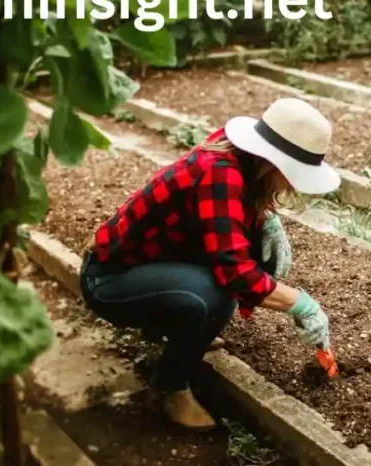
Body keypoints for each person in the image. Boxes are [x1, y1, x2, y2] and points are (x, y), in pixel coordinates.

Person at [79, 98, 341, 431]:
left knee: (230, 276)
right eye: (293, 174)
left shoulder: (234, 156)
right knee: (217, 296)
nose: (292, 185)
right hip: (109, 281)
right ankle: (168, 389)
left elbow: (220, 223)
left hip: (143, 268)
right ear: (274, 163)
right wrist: (302, 305)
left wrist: (266, 221)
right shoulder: (221, 173)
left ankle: (168, 326)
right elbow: (237, 274)